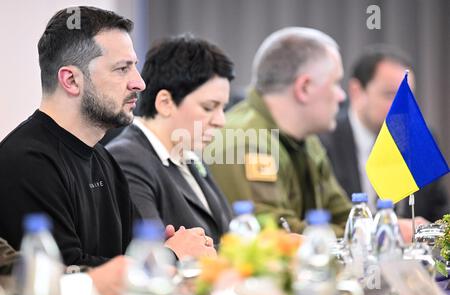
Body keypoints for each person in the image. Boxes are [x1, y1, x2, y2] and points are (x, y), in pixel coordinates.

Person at [0, 6, 216, 267]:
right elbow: (64, 273)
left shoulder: (102, 157)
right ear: (71, 80)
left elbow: (130, 252)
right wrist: (168, 259)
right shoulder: (26, 162)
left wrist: (165, 248)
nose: (139, 83)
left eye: (135, 67)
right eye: (122, 69)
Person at [209, 27, 351, 236]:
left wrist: (366, 228)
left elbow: (345, 215)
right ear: (304, 88)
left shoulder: (307, 140)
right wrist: (359, 232)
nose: (341, 96)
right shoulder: (246, 141)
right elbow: (276, 237)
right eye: (336, 83)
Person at [107, 34, 235, 246]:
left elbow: (225, 234)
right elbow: (154, 254)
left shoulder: (187, 154)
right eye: (208, 107)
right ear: (165, 103)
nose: (220, 121)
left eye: (223, 108)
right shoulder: (126, 160)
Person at [319, 45, 448, 222]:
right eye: (390, 95)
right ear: (357, 91)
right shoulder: (323, 139)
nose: (401, 107)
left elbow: (440, 214)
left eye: (407, 97)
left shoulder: (420, 139)